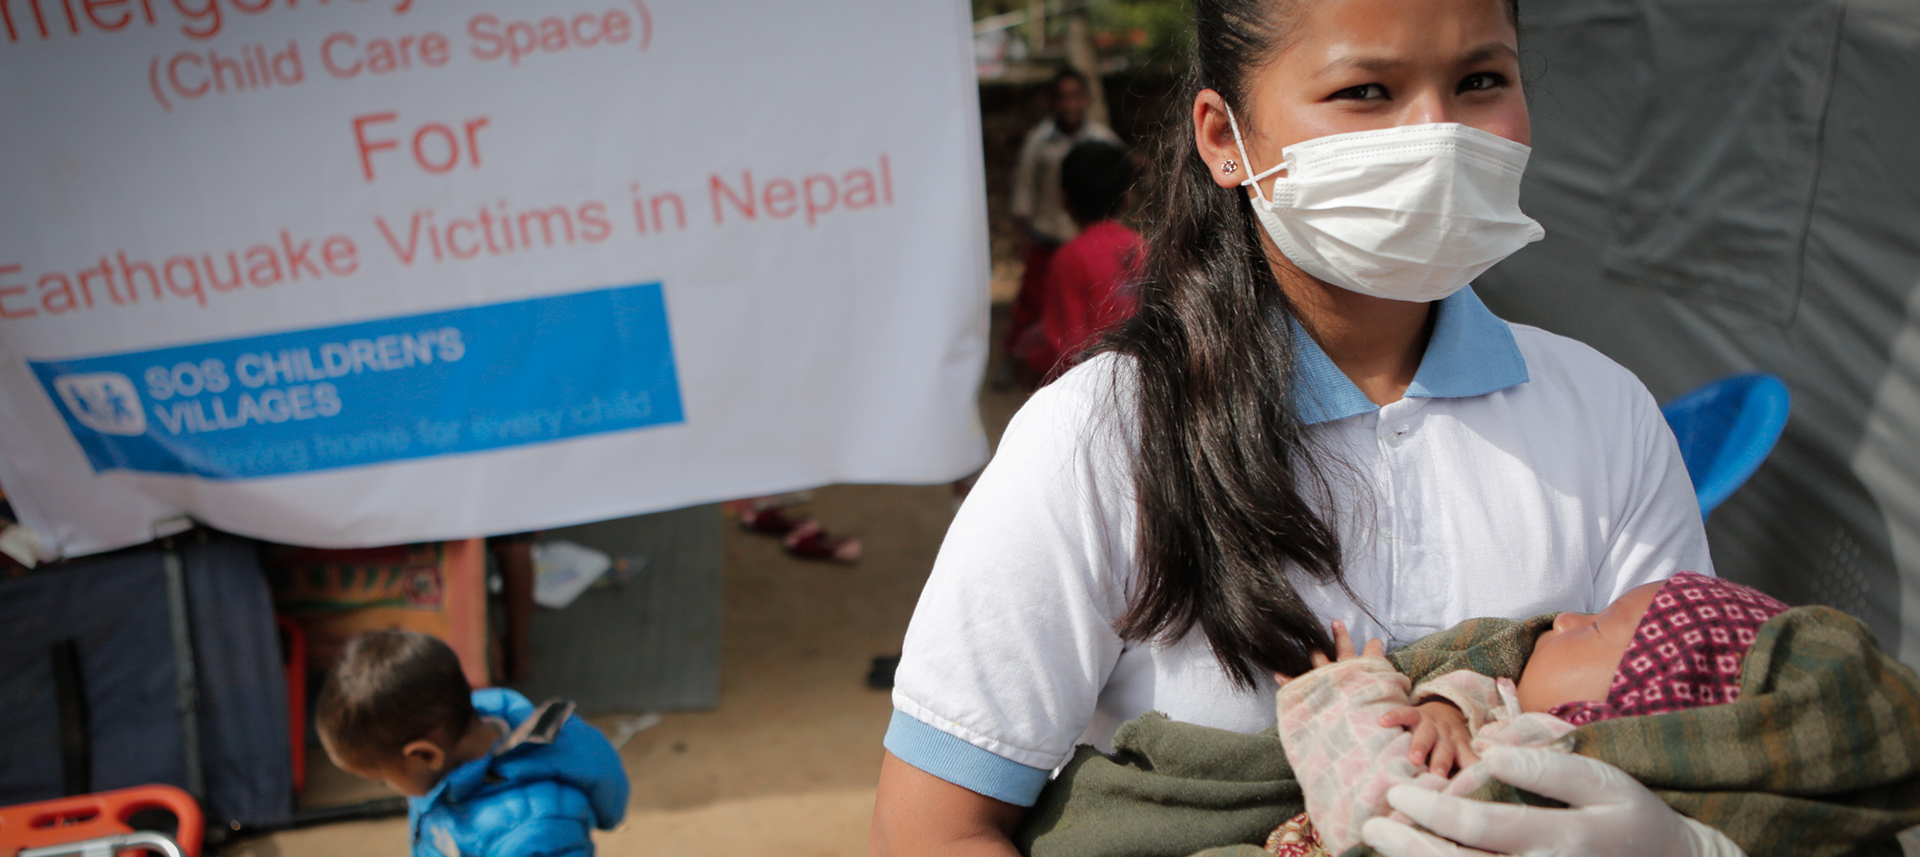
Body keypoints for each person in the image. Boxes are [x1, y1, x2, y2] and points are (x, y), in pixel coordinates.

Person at [869, 0, 1720, 854]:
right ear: (1223, 137)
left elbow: (1707, 741)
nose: (1437, 132)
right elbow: (931, 830)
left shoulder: (1605, 414)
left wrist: (1689, 843)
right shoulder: (1100, 437)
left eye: (1480, 80)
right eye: (1366, 90)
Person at [1273, 573, 1785, 855]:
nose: (1564, 618)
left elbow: (1380, 815)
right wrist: (1446, 708)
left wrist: (1340, 702)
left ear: (1625, 706)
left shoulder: (1551, 757)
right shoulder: (1519, 707)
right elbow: (1492, 692)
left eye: (1597, 628)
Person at [316, 630, 629, 857]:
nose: (390, 787)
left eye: (383, 778)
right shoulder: (450, 742)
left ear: (425, 755)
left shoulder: (534, 834)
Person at [1006, 68, 1121, 382]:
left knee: (1087, 311)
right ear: (1051, 101)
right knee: (1032, 308)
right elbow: (1024, 190)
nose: (1069, 104)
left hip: (1087, 246)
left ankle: (1074, 373)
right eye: (1062, 97)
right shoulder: (1038, 142)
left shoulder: (1102, 140)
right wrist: (1022, 236)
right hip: (1048, 238)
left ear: (1086, 99)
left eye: (1075, 96)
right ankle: (1025, 364)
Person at [1008, 139, 1145, 380]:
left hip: (1092, 387)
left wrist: (1026, 359)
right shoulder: (1142, 246)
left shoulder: (1070, 258)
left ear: (1064, 199)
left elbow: (1066, 346)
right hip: (1141, 378)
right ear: (1126, 197)